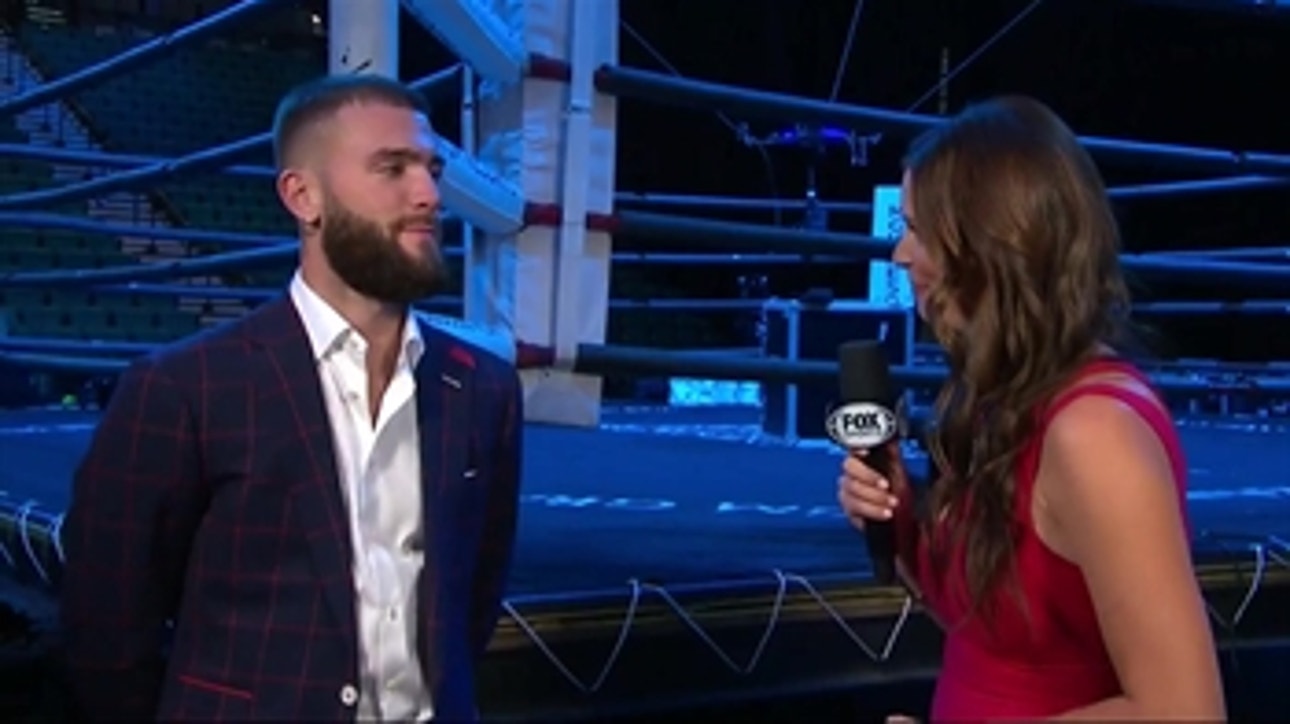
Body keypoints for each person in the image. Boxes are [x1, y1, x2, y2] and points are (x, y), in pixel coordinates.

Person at [59, 74, 523, 721]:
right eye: (392, 169)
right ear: (303, 196)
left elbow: (472, 600)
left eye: (431, 168)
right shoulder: (183, 388)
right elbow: (107, 630)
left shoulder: (484, 388)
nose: (426, 195)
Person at [837, 96, 1225, 721]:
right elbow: (986, 628)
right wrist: (901, 525)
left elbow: (1184, 712)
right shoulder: (1003, 400)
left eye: (917, 229)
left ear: (993, 242)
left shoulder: (1095, 435)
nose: (900, 256)